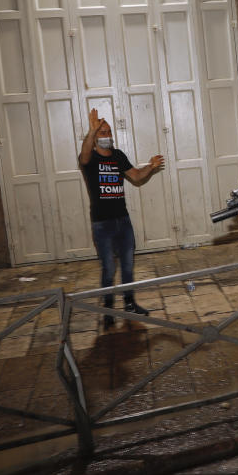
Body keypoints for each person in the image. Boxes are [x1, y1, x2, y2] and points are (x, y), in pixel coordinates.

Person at [79, 109, 165, 328]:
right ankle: (107, 311)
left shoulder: (118, 156)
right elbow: (84, 154)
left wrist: (150, 167)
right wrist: (91, 131)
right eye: (102, 132)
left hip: (122, 221)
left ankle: (129, 303)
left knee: (127, 265)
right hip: (102, 223)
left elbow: (135, 176)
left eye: (108, 131)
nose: (106, 135)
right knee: (108, 268)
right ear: (95, 137)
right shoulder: (90, 159)